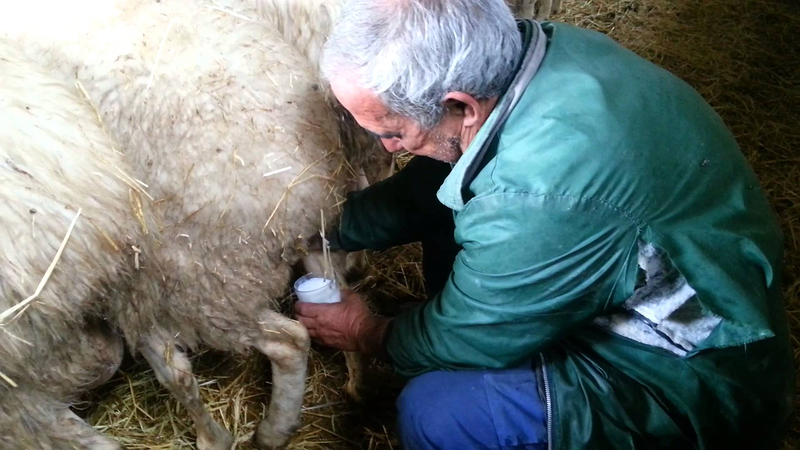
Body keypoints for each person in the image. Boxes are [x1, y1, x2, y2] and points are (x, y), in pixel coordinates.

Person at [294, 0, 795, 448]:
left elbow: (470, 337)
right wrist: (321, 228)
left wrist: (367, 331)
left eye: (393, 132)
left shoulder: (537, 193)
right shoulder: (530, 55)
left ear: (460, 105)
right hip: (656, 265)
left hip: (682, 372)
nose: (388, 148)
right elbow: (431, 187)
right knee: (450, 199)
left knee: (439, 413)